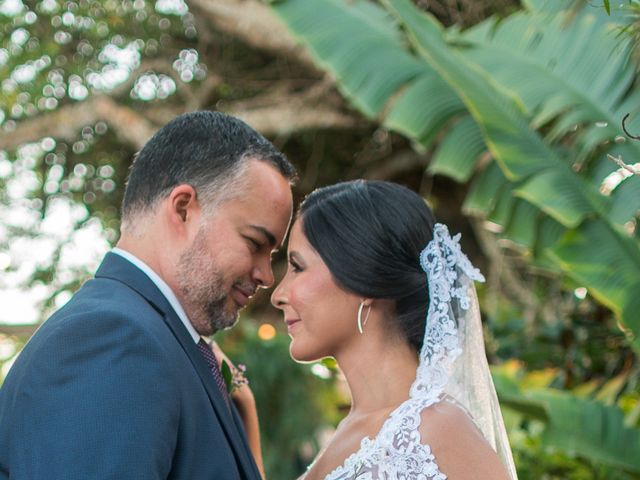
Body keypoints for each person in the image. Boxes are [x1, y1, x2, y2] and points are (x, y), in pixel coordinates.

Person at [0, 111, 296, 479]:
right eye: (254, 243)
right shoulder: (112, 340)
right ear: (183, 208)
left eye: (272, 256)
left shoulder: (162, 342)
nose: (267, 276)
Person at [264, 180, 517, 479]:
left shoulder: (437, 429)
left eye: (297, 267)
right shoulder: (348, 430)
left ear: (363, 278)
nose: (277, 295)